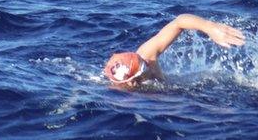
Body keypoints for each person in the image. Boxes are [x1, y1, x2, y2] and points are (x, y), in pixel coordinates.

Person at [104, 14, 246, 88]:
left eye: (141, 59)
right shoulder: (130, 95)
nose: (146, 61)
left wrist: (209, 27)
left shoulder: (146, 54)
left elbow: (179, 22)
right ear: (133, 82)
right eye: (143, 66)